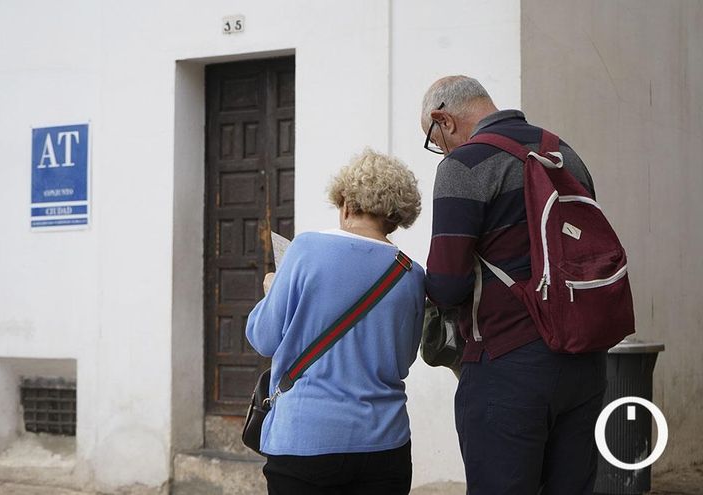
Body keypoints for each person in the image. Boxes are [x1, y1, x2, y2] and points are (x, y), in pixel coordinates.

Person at [421, 75, 607, 494]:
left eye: (434, 139)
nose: (441, 150)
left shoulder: (463, 166)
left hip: (507, 366)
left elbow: (447, 286)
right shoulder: (565, 153)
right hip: (585, 361)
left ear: (443, 120)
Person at [246, 148, 425, 495]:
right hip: (385, 443)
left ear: (346, 204)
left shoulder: (306, 249)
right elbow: (403, 361)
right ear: (395, 217)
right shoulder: (412, 273)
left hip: (305, 439)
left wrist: (271, 291)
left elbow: (263, 338)